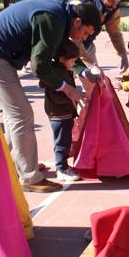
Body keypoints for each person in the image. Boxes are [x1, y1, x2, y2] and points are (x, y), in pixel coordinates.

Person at [0, 0, 101, 193]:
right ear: (77, 22)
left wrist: (84, 71)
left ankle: (16, 162)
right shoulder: (53, 20)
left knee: (14, 116)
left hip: (0, 52)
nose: (82, 38)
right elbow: (40, 66)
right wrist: (68, 89)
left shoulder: (62, 18)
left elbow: (63, 52)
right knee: (22, 115)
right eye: (85, 33)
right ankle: (29, 177)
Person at [69, 0, 129, 81]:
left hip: (87, 45)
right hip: (68, 47)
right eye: (111, 1)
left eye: (117, 1)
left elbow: (114, 31)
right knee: (66, 86)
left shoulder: (113, 7)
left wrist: (123, 53)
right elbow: (74, 39)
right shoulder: (79, 6)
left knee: (96, 83)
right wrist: (91, 65)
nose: (115, 6)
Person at [40, 39, 82, 182]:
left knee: (65, 140)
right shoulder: (56, 75)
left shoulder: (64, 70)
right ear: (62, 59)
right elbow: (57, 97)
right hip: (59, 114)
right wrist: (75, 97)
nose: (73, 64)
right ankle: (61, 169)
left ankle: (63, 165)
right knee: (62, 142)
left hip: (64, 113)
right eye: (72, 61)